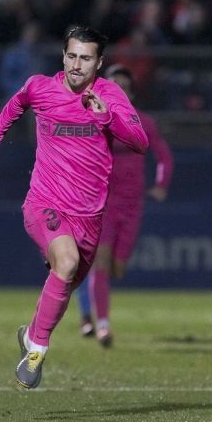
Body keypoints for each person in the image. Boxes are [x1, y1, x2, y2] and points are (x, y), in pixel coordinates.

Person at [0, 25, 149, 389]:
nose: (76, 64)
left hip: (90, 217)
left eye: (85, 58)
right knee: (66, 262)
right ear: (63, 56)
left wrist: (107, 118)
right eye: (71, 55)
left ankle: (31, 336)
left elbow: (140, 141)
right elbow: (15, 104)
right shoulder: (41, 87)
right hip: (45, 202)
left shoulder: (110, 95)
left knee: (66, 280)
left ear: (99, 62)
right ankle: (37, 351)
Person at [75, 64, 174, 346]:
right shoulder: (94, 122)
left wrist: (161, 185)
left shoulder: (143, 122)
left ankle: (94, 310)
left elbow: (165, 156)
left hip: (132, 205)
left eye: (123, 86)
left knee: (117, 267)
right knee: (101, 263)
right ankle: (103, 326)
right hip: (102, 203)